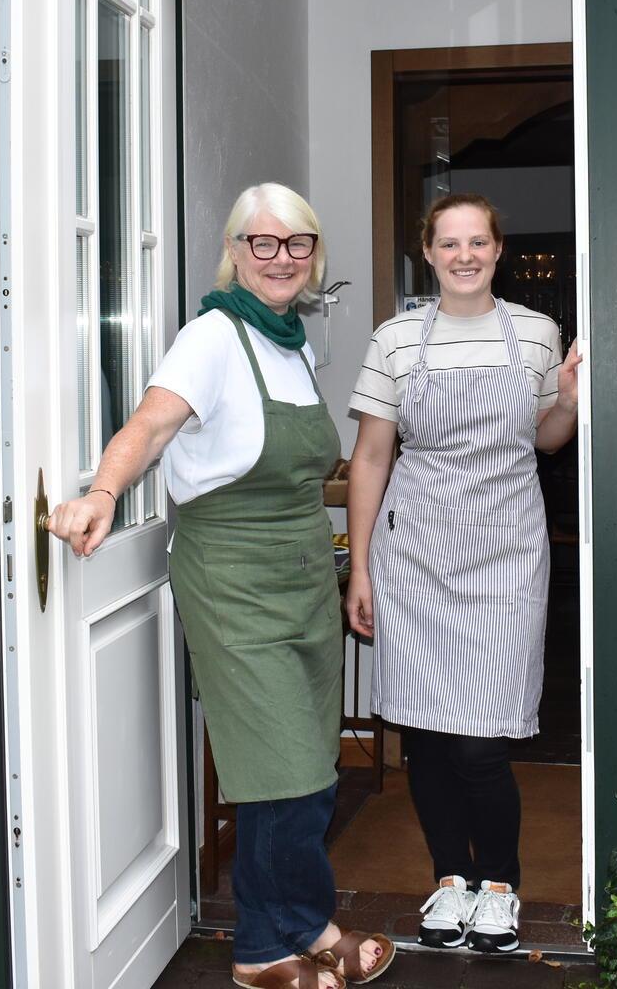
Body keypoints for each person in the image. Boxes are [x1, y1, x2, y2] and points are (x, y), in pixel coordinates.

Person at [48, 183, 393, 989]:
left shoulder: (294, 344)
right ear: (236, 252)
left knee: (312, 765)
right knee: (278, 769)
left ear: (315, 256)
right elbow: (150, 425)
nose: (280, 259)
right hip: (234, 575)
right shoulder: (211, 335)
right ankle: (261, 952)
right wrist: (102, 493)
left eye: (296, 244)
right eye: (262, 243)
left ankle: (305, 925)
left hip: (304, 570)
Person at [343, 192, 581, 954]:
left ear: (498, 249)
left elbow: (545, 440)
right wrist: (361, 568)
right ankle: (450, 880)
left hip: (506, 550)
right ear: (428, 251)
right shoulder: (397, 339)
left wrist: (571, 401)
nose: (465, 255)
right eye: (450, 243)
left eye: (477, 241)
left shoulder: (538, 334)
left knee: (482, 739)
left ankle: (501, 884)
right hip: (414, 551)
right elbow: (373, 457)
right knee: (430, 736)